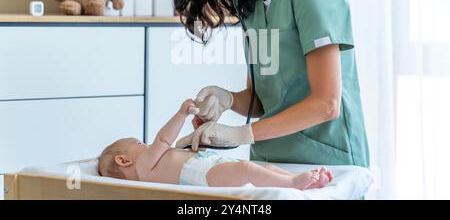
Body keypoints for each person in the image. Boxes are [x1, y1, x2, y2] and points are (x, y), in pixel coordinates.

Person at [171, 0, 370, 167]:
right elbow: (263, 102)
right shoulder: (252, 6)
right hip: (271, 165)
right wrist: (227, 99)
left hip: (327, 163)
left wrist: (242, 134)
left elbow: (326, 104)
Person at [98, 99, 333, 189]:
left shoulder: (155, 164)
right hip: (202, 175)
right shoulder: (143, 169)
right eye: (139, 142)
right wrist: (181, 113)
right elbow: (163, 139)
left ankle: (304, 180)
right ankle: (292, 183)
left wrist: (197, 135)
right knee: (247, 170)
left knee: (262, 169)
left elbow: (181, 150)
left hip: (207, 165)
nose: (147, 143)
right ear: (124, 160)